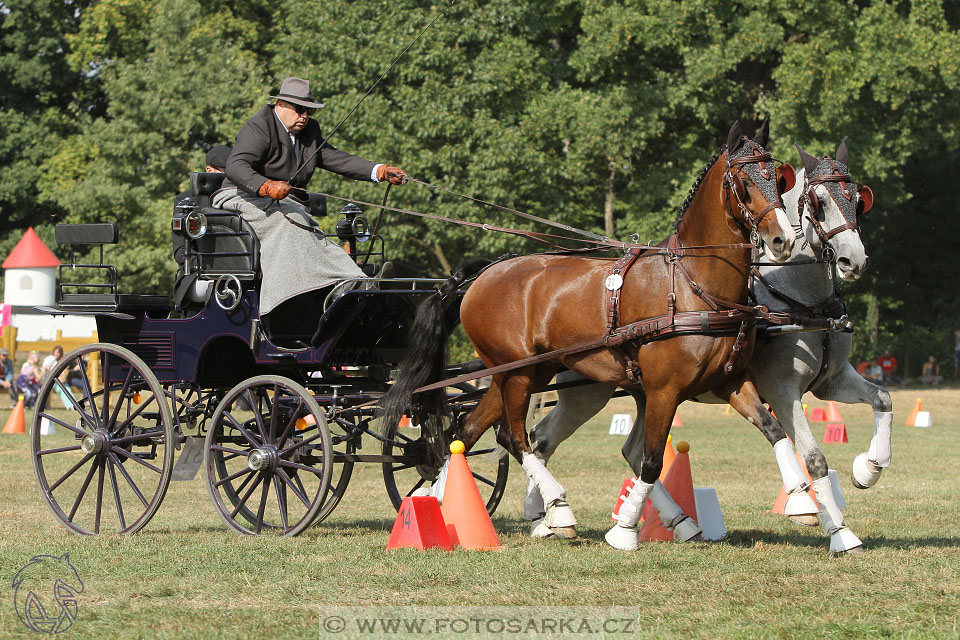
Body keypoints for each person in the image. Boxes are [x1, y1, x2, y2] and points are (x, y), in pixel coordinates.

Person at [212, 77, 407, 322]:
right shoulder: (260, 126)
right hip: (240, 195)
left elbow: (336, 158)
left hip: (285, 203)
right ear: (280, 104)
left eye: (309, 110)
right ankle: (294, 295)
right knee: (294, 220)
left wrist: (379, 171)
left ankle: (355, 284)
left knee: (313, 230)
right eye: (299, 109)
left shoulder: (310, 131)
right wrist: (266, 186)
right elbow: (236, 166)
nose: (305, 115)